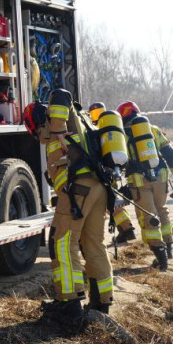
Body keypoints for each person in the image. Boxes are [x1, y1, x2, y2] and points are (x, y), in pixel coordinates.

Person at [26, 96, 113, 326]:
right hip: (97, 189)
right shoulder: (80, 123)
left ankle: (69, 303)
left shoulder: (57, 123)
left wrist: (57, 130)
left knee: (62, 243)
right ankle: (101, 303)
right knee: (93, 243)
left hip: (78, 190)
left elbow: (62, 94)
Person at [117, 101, 173, 271]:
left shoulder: (122, 135)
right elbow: (170, 153)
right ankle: (168, 249)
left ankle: (161, 259)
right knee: (162, 210)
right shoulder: (153, 129)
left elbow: (119, 161)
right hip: (161, 176)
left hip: (138, 180)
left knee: (148, 216)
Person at [89, 101, 136, 245]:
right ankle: (126, 229)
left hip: (103, 172)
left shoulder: (93, 128)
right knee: (114, 201)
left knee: (109, 203)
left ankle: (125, 230)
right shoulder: (111, 128)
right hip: (115, 168)